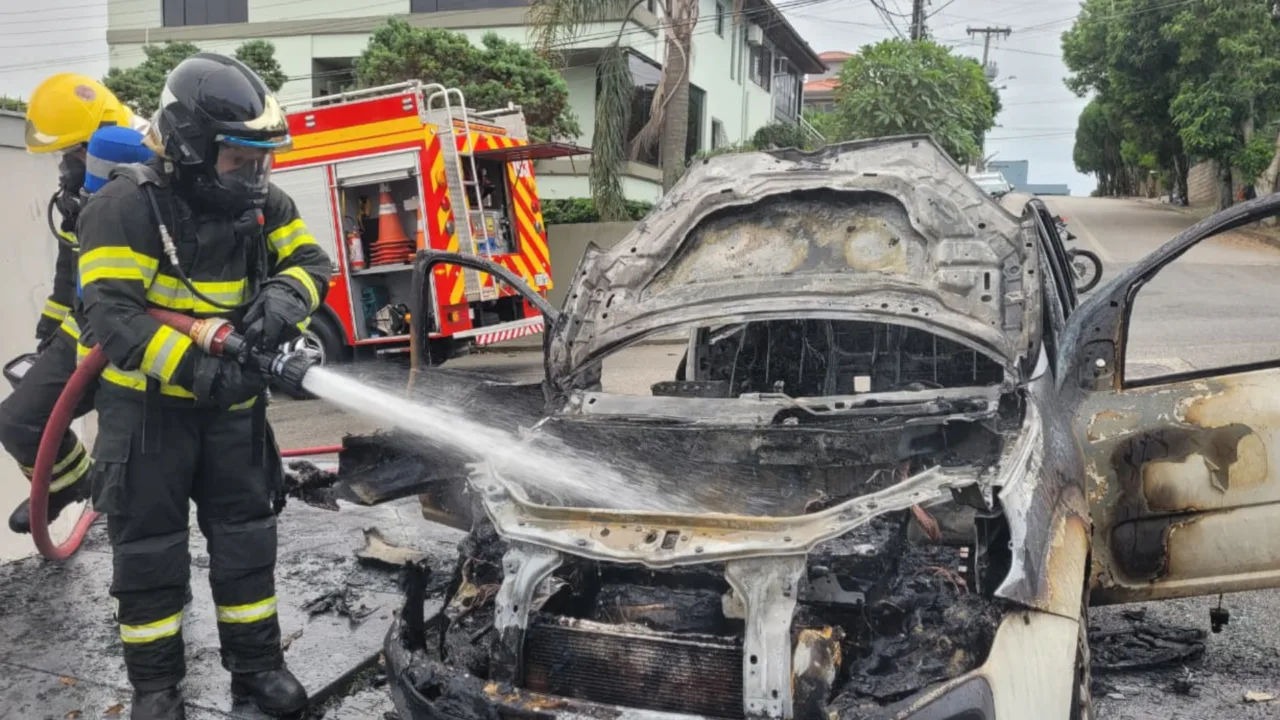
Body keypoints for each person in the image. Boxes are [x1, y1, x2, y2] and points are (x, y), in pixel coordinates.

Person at [76, 52, 330, 719]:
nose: (255, 174)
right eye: (238, 159)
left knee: (247, 541)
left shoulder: (265, 204)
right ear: (190, 149)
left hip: (235, 417)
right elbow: (109, 312)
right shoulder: (123, 209)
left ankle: (257, 670)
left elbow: (310, 261)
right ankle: (156, 689)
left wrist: (282, 295)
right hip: (148, 416)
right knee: (149, 555)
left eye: (261, 159)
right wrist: (194, 366)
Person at [0, 74, 146, 534]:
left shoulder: (153, 177)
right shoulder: (76, 200)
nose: (66, 165)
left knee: (136, 470)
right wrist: (49, 331)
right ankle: (69, 482)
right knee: (19, 420)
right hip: (82, 332)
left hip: (139, 334)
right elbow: (69, 276)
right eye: (64, 155)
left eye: (74, 152)